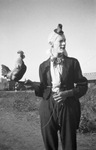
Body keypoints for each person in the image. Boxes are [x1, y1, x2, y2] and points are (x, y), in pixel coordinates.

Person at [25, 24, 88, 150]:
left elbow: (83, 86)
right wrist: (32, 85)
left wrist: (67, 93)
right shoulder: (43, 66)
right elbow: (43, 90)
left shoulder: (73, 63)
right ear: (51, 43)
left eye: (65, 41)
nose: (64, 43)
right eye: (61, 41)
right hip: (48, 107)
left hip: (68, 106)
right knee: (49, 143)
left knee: (69, 144)